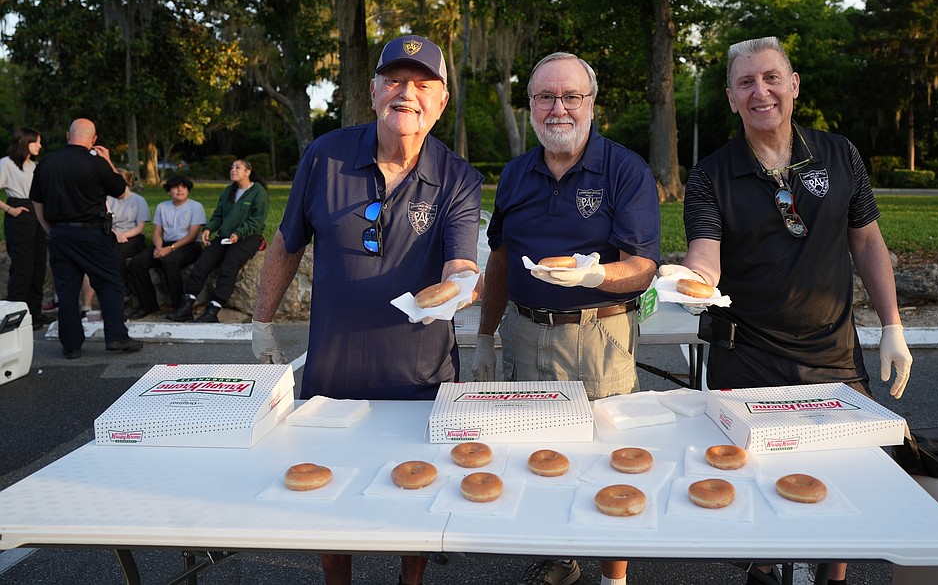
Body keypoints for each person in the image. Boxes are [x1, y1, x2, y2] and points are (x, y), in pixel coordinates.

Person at [661, 36, 913, 585]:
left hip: (832, 354)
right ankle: (763, 572)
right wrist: (689, 281)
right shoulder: (710, 175)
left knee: (840, 480)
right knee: (751, 488)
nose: (761, 92)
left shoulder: (840, 153)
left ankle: (833, 577)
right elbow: (706, 258)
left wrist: (892, 327)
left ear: (794, 85)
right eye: (746, 83)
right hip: (746, 355)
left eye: (771, 77)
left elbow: (868, 243)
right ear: (730, 98)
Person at [251, 34, 482, 585]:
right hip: (334, 369)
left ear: (441, 100)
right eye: (396, 81)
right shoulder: (325, 156)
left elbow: (461, 262)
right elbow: (286, 244)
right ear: (374, 90)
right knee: (329, 494)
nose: (408, 94)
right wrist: (261, 325)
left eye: (423, 84)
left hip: (419, 372)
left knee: (416, 492)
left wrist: (460, 287)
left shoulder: (457, 177)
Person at [475, 52, 660, 585]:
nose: (558, 108)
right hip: (526, 331)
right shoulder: (515, 174)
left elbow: (643, 267)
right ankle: (559, 553)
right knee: (537, 451)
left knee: (607, 457)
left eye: (570, 97)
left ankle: (614, 573)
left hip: (597, 334)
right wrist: (485, 337)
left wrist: (594, 276)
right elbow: (502, 258)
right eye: (545, 97)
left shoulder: (624, 169)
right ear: (531, 105)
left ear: (591, 103)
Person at [28, 118, 142, 358]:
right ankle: (116, 337)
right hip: (92, 233)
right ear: (94, 139)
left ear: (68, 136)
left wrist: (49, 230)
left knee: (66, 290)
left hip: (59, 233)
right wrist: (109, 161)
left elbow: (36, 201)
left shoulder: (47, 163)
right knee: (110, 283)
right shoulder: (97, 163)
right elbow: (121, 191)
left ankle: (71, 346)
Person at [166, 159, 269, 323]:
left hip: (249, 237)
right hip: (225, 236)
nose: (233, 170)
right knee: (203, 264)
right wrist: (208, 229)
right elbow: (218, 215)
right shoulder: (229, 191)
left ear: (248, 172)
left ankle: (213, 310)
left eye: (237, 167)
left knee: (229, 266)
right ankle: (186, 306)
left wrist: (239, 234)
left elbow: (257, 221)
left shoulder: (258, 192)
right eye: (231, 167)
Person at [127, 175, 205, 319]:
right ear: (169, 191)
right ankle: (148, 305)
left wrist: (170, 249)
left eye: (184, 187)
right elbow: (157, 232)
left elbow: (192, 236)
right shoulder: (162, 207)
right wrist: (158, 247)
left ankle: (179, 307)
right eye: (175, 187)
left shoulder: (196, 206)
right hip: (165, 244)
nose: (180, 190)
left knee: (169, 261)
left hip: (189, 245)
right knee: (137, 262)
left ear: (188, 190)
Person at [79, 169, 150, 318]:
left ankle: (121, 295)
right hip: (111, 235)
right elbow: (101, 222)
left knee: (115, 255)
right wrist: (115, 233)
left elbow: (140, 227)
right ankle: (87, 306)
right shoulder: (106, 200)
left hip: (132, 237)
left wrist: (123, 234)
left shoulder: (138, 200)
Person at [0, 127, 50, 328]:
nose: (40, 145)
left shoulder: (35, 165)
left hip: (37, 213)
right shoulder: (6, 163)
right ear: (24, 142)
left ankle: (35, 314)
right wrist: (9, 209)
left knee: (39, 265)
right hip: (18, 212)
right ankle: (15, 316)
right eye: (36, 141)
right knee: (22, 267)